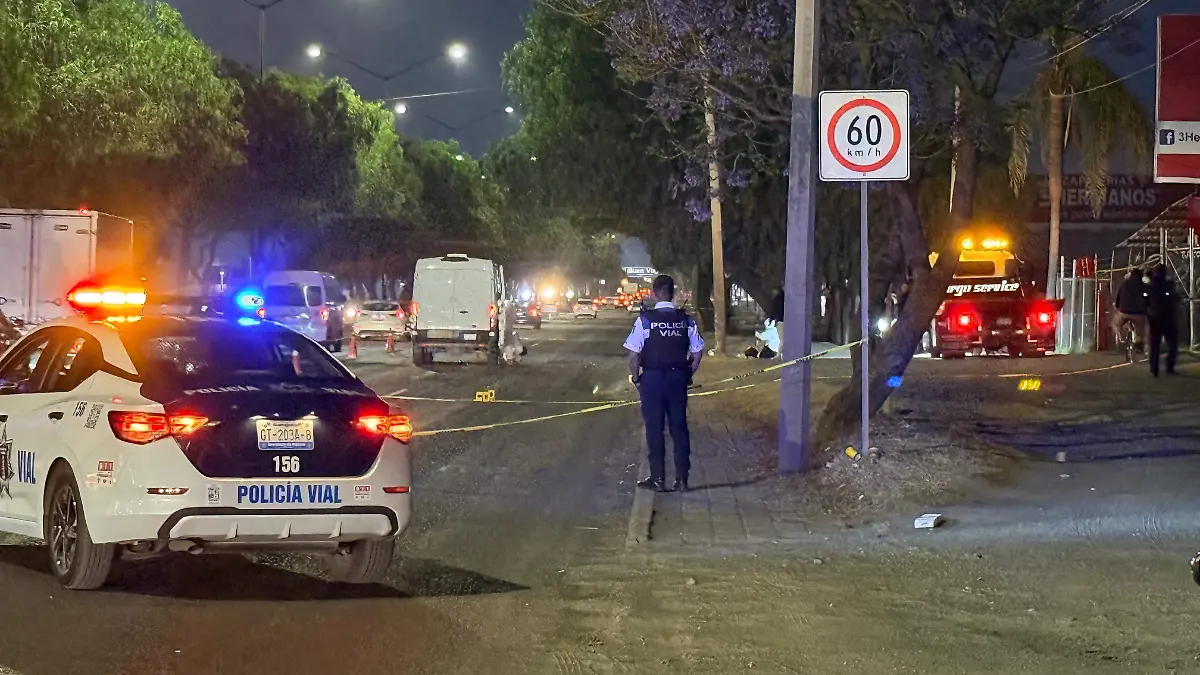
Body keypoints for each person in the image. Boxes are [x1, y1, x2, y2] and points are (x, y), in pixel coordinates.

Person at [625, 274, 704, 492]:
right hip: (677, 379)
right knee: (679, 428)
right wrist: (687, 375)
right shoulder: (686, 319)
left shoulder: (645, 320)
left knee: (654, 430)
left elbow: (633, 356)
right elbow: (697, 354)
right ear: (674, 293)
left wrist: (637, 378)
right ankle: (682, 479)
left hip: (652, 380)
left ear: (653, 292)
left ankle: (658, 478)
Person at [1146, 266, 1179, 377]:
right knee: (1172, 344)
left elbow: (1145, 301)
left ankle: (1154, 369)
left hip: (1154, 319)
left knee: (1154, 345)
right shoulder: (1169, 285)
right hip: (1168, 318)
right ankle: (1169, 367)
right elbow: (1175, 298)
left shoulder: (1150, 286)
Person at [1111, 266, 1149, 350]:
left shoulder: (1124, 284)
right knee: (1142, 326)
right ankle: (1140, 341)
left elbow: (1118, 297)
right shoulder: (1143, 285)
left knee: (1115, 324)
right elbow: (1148, 299)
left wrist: (1118, 307)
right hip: (1139, 313)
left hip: (1124, 311)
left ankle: (1120, 338)